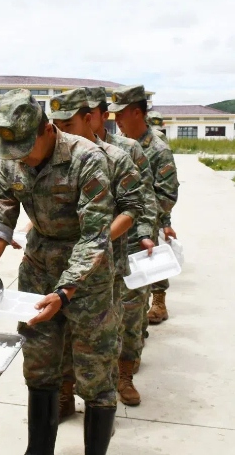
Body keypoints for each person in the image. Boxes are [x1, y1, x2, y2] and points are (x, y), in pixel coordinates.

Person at [0, 89, 118, 454]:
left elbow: (95, 235)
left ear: (48, 130)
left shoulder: (87, 159)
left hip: (88, 278)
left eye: (28, 149)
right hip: (38, 270)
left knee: (95, 374)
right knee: (39, 367)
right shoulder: (12, 161)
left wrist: (65, 292)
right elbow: (0, 222)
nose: (22, 160)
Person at [50, 88, 148, 415]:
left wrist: (99, 238)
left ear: (90, 117)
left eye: (69, 121)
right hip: (62, 266)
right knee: (61, 334)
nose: (61, 129)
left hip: (107, 264)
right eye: (57, 122)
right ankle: (64, 393)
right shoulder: (56, 155)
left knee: (106, 335)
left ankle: (115, 384)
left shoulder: (119, 154)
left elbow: (136, 206)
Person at [87, 87, 159, 390]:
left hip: (126, 246)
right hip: (88, 251)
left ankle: (125, 375)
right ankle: (71, 388)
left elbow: (146, 197)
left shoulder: (128, 149)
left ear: (103, 116)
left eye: (89, 115)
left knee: (129, 316)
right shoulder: (65, 150)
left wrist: (145, 233)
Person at [110, 85, 179, 330]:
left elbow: (167, 194)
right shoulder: (119, 146)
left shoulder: (158, 148)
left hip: (143, 226)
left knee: (138, 285)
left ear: (137, 113)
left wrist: (146, 217)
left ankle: (153, 309)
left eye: (121, 114)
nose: (116, 119)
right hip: (119, 224)